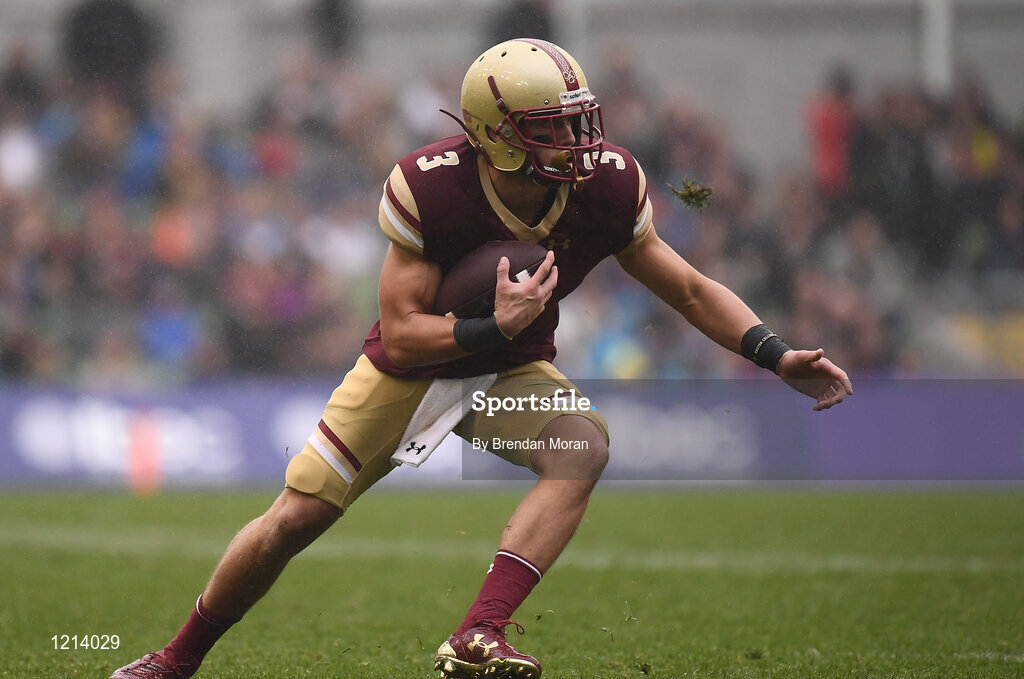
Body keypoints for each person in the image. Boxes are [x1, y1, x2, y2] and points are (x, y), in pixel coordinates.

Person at [110, 38, 852, 679]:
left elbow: (686, 287)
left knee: (581, 446)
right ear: (497, 135)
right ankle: (175, 658)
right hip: (413, 369)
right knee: (291, 522)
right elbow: (401, 334)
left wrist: (773, 351)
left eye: (577, 121)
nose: (578, 142)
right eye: (553, 128)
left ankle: (480, 630)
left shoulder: (607, 183)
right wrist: (485, 326)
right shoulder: (431, 187)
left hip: (506, 371)